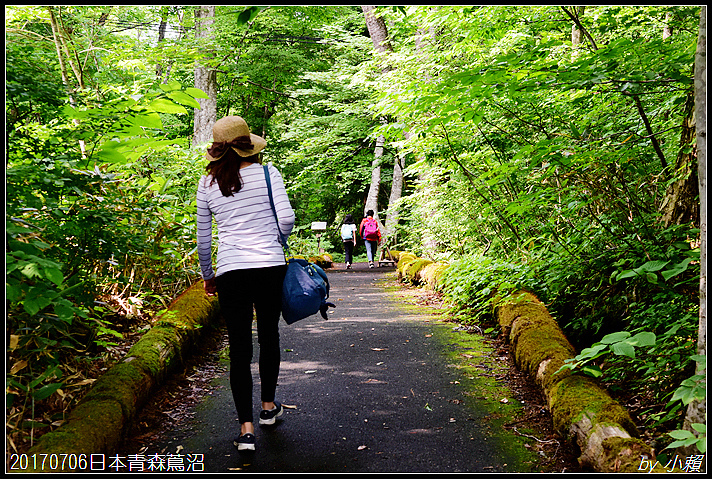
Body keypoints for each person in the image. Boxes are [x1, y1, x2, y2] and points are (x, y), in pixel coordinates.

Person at [196, 116, 295, 452]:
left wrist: (208, 275)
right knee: (268, 334)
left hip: (231, 271)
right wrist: (275, 240)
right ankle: (268, 408)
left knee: (239, 347)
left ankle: (246, 430)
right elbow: (287, 219)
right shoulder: (268, 174)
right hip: (269, 266)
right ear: (248, 146)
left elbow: (204, 238)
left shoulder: (207, 184)